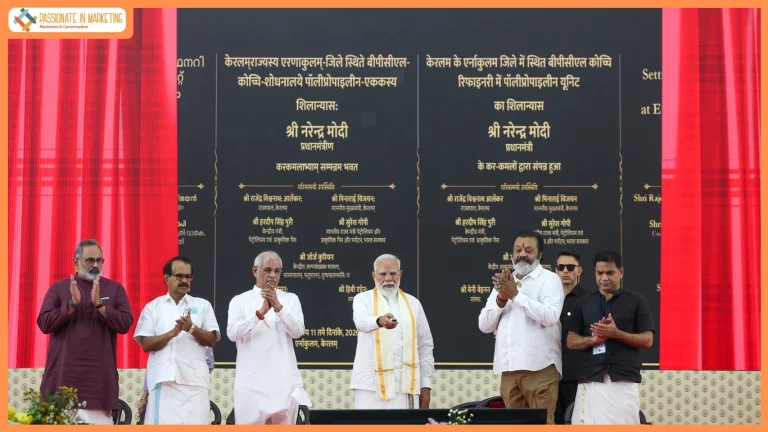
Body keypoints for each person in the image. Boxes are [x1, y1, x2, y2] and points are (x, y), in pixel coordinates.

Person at [37, 239, 134, 424]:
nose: (95, 265)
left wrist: (100, 305)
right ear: (76, 262)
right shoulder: (59, 288)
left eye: (99, 260)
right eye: (90, 260)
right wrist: (71, 304)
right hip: (62, 381)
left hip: (99, 384)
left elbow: (125, 324)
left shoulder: (114, 289)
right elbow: (44, 324)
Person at [478, 230, 564, 424]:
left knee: (541, 426)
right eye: (518, 250)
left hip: (540, 368)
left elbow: (550, 317)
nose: (522, 254)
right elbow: (484, 325)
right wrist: (501, 299)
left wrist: (515, 296)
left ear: (540, 255)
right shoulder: (504, 283)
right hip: (509, 369)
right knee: (513, 426)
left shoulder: (550, 280)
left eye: (528, 250)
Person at [567, 250, 655, 424]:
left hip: (623, 381)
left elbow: (647, 340)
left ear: (621, 272)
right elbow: (571, 341)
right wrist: (593, 340)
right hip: (590, 381)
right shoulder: (584, 302)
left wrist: (616, 334)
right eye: (600, 273)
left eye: (610, 273)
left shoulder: (637, 302)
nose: (604, 278)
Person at [133, 256, 220, 424]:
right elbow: (146, 344)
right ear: (166, 278)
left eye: (188, 277)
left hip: (195, 384)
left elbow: (212, 340)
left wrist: (192, 329)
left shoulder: (203, 306)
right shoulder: (153, 307)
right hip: (163, 384)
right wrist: (171, 334)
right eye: (179, 276)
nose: (184, 280)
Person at [227, 251, 311, 424]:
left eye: (277, 271)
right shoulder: (239, 301)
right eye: (267, 270)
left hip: (284, 382)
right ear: (255, 271)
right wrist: (260, 313)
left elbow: (298, 332)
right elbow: (232, 334)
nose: (272, 275)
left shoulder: (290, 299)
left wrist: (279, 307)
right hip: (252, 384)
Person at [350, 254, 434, 409]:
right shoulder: (363, 299)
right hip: (370, 388)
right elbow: (361, 322)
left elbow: (425, 347)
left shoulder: (413, 304)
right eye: (382, 274)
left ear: (400, 274)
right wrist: (379, 321)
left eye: (393, 274)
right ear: (374, 275)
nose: (388, 278)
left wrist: (426, 386)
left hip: (405, 387)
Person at [553, 249, 588, 424]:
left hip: (577, 375)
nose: (565, 271)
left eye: (570, 267)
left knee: (577, 421)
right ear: (555, 270)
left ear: (579, 270)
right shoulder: (547, 300)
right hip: (549, 375)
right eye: (561, 267)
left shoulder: (589, 300)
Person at [137, 347, 214, 422]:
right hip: (164, 397)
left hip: (192, 398)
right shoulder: (160, 338)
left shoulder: (201, 336)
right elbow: (154, 366)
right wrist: (144, 396)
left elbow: (209, 363)